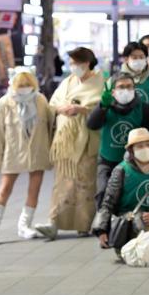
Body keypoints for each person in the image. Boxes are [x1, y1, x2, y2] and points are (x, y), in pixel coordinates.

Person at [35, 48, 105, 240]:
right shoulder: (68, 81)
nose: (74, 67)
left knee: (85, 183)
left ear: (88, 62)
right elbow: (53, 103)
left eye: (77, 63)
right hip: (65, 139)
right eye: (72, 63)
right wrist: (61, 108)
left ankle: (84, 223)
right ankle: (55, 221)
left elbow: (103, 107)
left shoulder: (101, 82)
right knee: (62, 182)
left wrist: (81, 109)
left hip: (86, 138)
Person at [0, 68, 54, 243]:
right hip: (13, 153)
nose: (24, 88)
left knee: (34, 189)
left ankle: (24, 225)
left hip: (37, 152)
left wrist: (51, 151)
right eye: (21, 85)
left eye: (28, 84)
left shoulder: (41, 101)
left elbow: (50, 126)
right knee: (5, 188)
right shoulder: (4, 103)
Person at [86, 73, 149, 209]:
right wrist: (102, 106)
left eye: (129, 87)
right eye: (121, 87)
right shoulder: (106, 105)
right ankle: (102, 228)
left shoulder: (143, 108)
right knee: (103, 193)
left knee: (127, 196)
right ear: (113, 91)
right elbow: (92, 125)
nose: (125, 90)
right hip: (108, 160)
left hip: (134, 163)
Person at [91, 128, 149, 249]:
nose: (145, 149)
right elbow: (108, 202)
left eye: (148, 145)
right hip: (127, 222)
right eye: (139, 146)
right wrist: (101, 230)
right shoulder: (121, 171)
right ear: (131, 150)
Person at [119, 41, 149, 116]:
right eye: (134, 57)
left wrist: (146, 118)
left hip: (148, 124)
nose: (138, 60)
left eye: (141, 57)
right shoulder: (115, 81)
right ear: (126, 59)